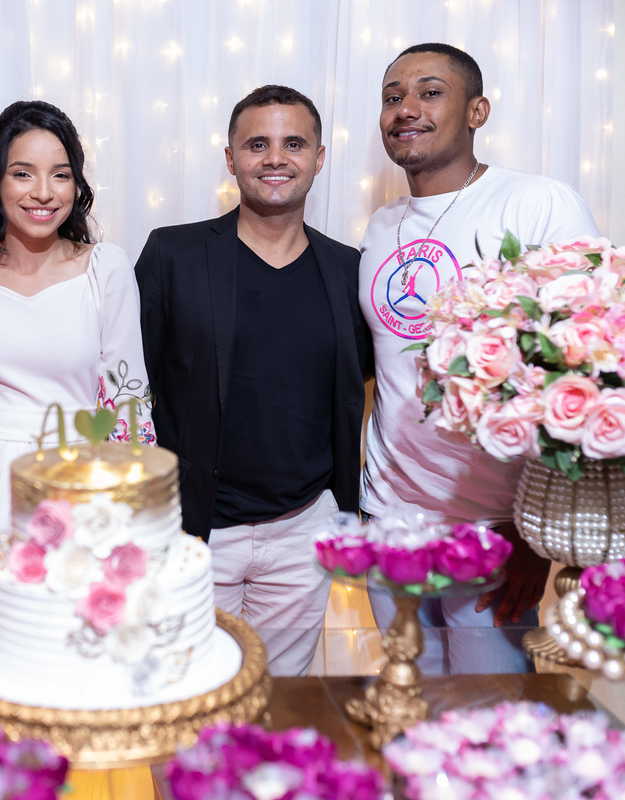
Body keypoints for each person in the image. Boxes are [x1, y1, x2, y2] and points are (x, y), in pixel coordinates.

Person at [359, 43, 600, 673]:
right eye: (392, 97)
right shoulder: (380, 227)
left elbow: (582, 372)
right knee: (407, 703)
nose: (406, 108)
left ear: (477, 111)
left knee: (490, 715)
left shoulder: (538, 203)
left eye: (430, 92)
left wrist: (534, 532)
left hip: (494, 528)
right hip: (390, 520)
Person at [135, 85, 372, 677]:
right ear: (230, 158)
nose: (275, 158)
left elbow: (365, 388)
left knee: (278, 700)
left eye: (294, 143)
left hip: (302, 531)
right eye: (257, 144)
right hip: (194, 531)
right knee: (187, 695)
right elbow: (130, 388)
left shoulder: (350, 269)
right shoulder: (172, 255)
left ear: (320, 157)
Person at [0, 100, 153, 620]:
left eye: (61, 174)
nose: (44, 192)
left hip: (78, 480)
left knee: (71, 638)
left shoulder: (105, 268)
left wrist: (134, 516)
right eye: (23, 173)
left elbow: (129, 405)